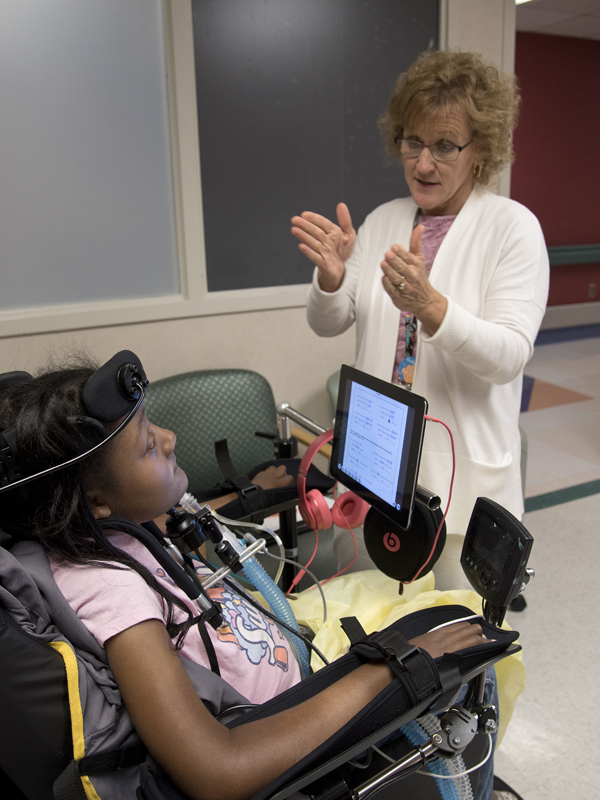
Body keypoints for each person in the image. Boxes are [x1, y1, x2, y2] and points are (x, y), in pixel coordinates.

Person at [0, 356, 500, 800]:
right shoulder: (113, 591)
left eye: (152, 423)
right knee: (469, 655)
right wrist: (391, 670)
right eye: (149, 445)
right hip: (272, 727)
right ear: (95, 501)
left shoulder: (102, 533)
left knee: (440, 605)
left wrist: (247, 494)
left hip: (283, 661)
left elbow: (159, 520)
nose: (170, 439)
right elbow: (218, 769)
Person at [291, 50, 549, 589]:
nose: (423, 163)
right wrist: (333, 279)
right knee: (368, 628)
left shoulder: (512, 229)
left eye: (445, 146)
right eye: (412, 141)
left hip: (461, 483)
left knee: (458, 646)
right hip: (375, 467)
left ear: (482, 150)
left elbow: (508, 356)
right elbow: (329, 321)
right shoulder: (385, 218)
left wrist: (430, 307)